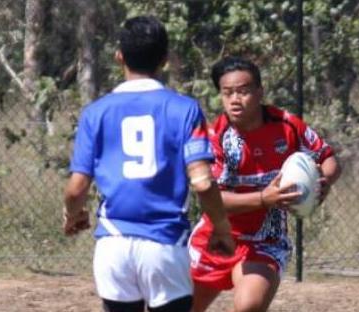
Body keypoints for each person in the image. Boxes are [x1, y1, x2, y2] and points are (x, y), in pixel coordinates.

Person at [63, 16, 235, 312]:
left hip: (114, 245)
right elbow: (203, 182)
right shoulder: (184, 109)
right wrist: (221, 228)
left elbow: (76, 188)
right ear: (165, 59)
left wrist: (72, 215)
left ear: (119, 56)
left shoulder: (95, 112)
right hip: (164, 244)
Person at [189, 56, 341, 312]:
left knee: (249, 305)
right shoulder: (215, 137)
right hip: (218, 236)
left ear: (260, 92)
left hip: (265, 239)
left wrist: (324, 181)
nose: (235, 99)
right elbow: (213, 201)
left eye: (243, 91)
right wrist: (263, 198)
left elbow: (328, 158)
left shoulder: (287, 126)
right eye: (227, 93)